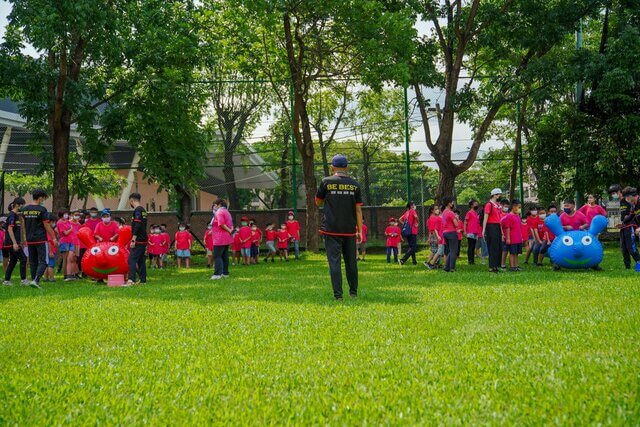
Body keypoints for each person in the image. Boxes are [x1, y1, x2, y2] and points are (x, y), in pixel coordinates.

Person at [315, 154, 363, 300]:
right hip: (349, 230)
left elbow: (318, 202)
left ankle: (338, 296)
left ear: (332, 167)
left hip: (330, 230)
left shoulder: (326, 182)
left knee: (334, 262)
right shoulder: (355, 185)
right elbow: (358, 210)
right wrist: (359, 230)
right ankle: (353, 293)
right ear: (346, 167)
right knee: (351, 263)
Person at [22, 188, 57, 288]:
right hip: (40, 239)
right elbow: (46, 225)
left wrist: (25, 237)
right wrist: (54, 238)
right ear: (40, 197)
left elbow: (23, 225)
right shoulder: (42, 209)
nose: (43, 200)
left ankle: (34, 281)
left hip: (29, 239)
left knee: (33, 261)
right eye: (43, 198)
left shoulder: (25, 209)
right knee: (44, 261)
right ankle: (36, 280)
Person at [2, 197, 29, 286]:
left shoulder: (17, 216)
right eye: (22, 205)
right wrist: (14, 243)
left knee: (13, 261)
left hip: (14, 242)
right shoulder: (12, 215)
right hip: (11, 243)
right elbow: (9, 229)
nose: (23, 206)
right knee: (23, 258)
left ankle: (6, 280)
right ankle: (23, 280)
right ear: (17, 204)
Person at [127, 192, 148, 286]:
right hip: (143, 238)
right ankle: (143, 280)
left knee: (131, 259)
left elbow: (138, 225)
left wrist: (133, 239)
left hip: (138, 239)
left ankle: (131, 280)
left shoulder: (138, 210)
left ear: (131, 200)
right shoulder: (143, 210)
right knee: (140, 260)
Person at [211, 198, 233, 280]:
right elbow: (230, 223)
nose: (214, 207)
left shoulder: (219, 212)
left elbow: (221, 224)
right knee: (224, 255)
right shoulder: (227, 212)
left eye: (215, 205)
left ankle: (217, 274)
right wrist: (230, 231)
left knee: (217, 256)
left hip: (219, 238)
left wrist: (229, 230)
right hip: (226, 237)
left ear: (219, 205)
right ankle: (225, 273)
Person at [482, 188, 504, 273]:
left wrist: (501, 231)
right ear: (495, 195)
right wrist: (483, 229)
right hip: (491, 226)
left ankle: (496, 265)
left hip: (497, 226)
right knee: (492, 247)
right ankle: (491, 267)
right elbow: (486, 217)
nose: (500, 196)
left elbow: (499, 219)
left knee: (498, 247)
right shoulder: (489, 205)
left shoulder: (497, 205)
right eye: (499, 195)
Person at [502, 199, 524, 271]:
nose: (519, 209)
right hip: (512, 238)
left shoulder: (517, 215)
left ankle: (516, 265)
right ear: (514, 206)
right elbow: (507, 228)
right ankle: (512, 266)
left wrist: (521, 236)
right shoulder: (509, 216)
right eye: (518, 207)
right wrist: (508, 238)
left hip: (518, 238)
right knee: (512, 253)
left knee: (517, 253)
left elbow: (519, 227)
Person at [441, 197, 459, 273]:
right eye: (451, 203)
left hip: (445, 232)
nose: (452, 204)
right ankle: (452, 267)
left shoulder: (444, 212)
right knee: (453, 250)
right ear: (449, 203)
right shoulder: (450, 212)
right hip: (451, 232)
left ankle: (446, 267)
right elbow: (456, 224)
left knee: (449, 251)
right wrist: (457, 218)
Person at [399, 201, 419, 265]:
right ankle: (403, 259)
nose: (414, 206)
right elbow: (416, 217)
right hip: (413, 231)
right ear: (411, 206)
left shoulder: (406, 213)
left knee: (411, 246)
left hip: (407, 231)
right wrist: (417, 222)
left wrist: (405, 224)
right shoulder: (412, 211)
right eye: (413, 205)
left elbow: (400, 219)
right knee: (414, 247)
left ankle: (414, 261)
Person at [464, 200, 481, 265]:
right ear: (471, 205)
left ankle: (472, 260)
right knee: (470, 246)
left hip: (475, 232)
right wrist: (465, 231)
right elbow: (465, 222)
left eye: (477, 204)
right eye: (475, 204)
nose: (476, 205)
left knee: (473, 247)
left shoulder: (476, 213)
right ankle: (470, 261)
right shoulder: (469, 212)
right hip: (470, 232)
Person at [44, 213, 58, 283]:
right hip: (51, 250)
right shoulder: (50, 231)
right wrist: (51, 251)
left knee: (47, 264)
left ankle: (45, 278)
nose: (54, 223)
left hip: (48, 250)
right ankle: (52, 278)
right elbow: (49, 241)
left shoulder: (46, 230)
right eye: (54, 222)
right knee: (51, 265)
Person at [499, 199, 511, 269]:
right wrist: (502, 234)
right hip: (502, 235)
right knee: (504, 250)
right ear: (501, 206)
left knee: (508, 250)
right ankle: (502, 264)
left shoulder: (508, 214)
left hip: (508, 235)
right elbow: (499, 225)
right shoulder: (499, 214)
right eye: (505, 206)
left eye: (507, 206)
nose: (506, 208)